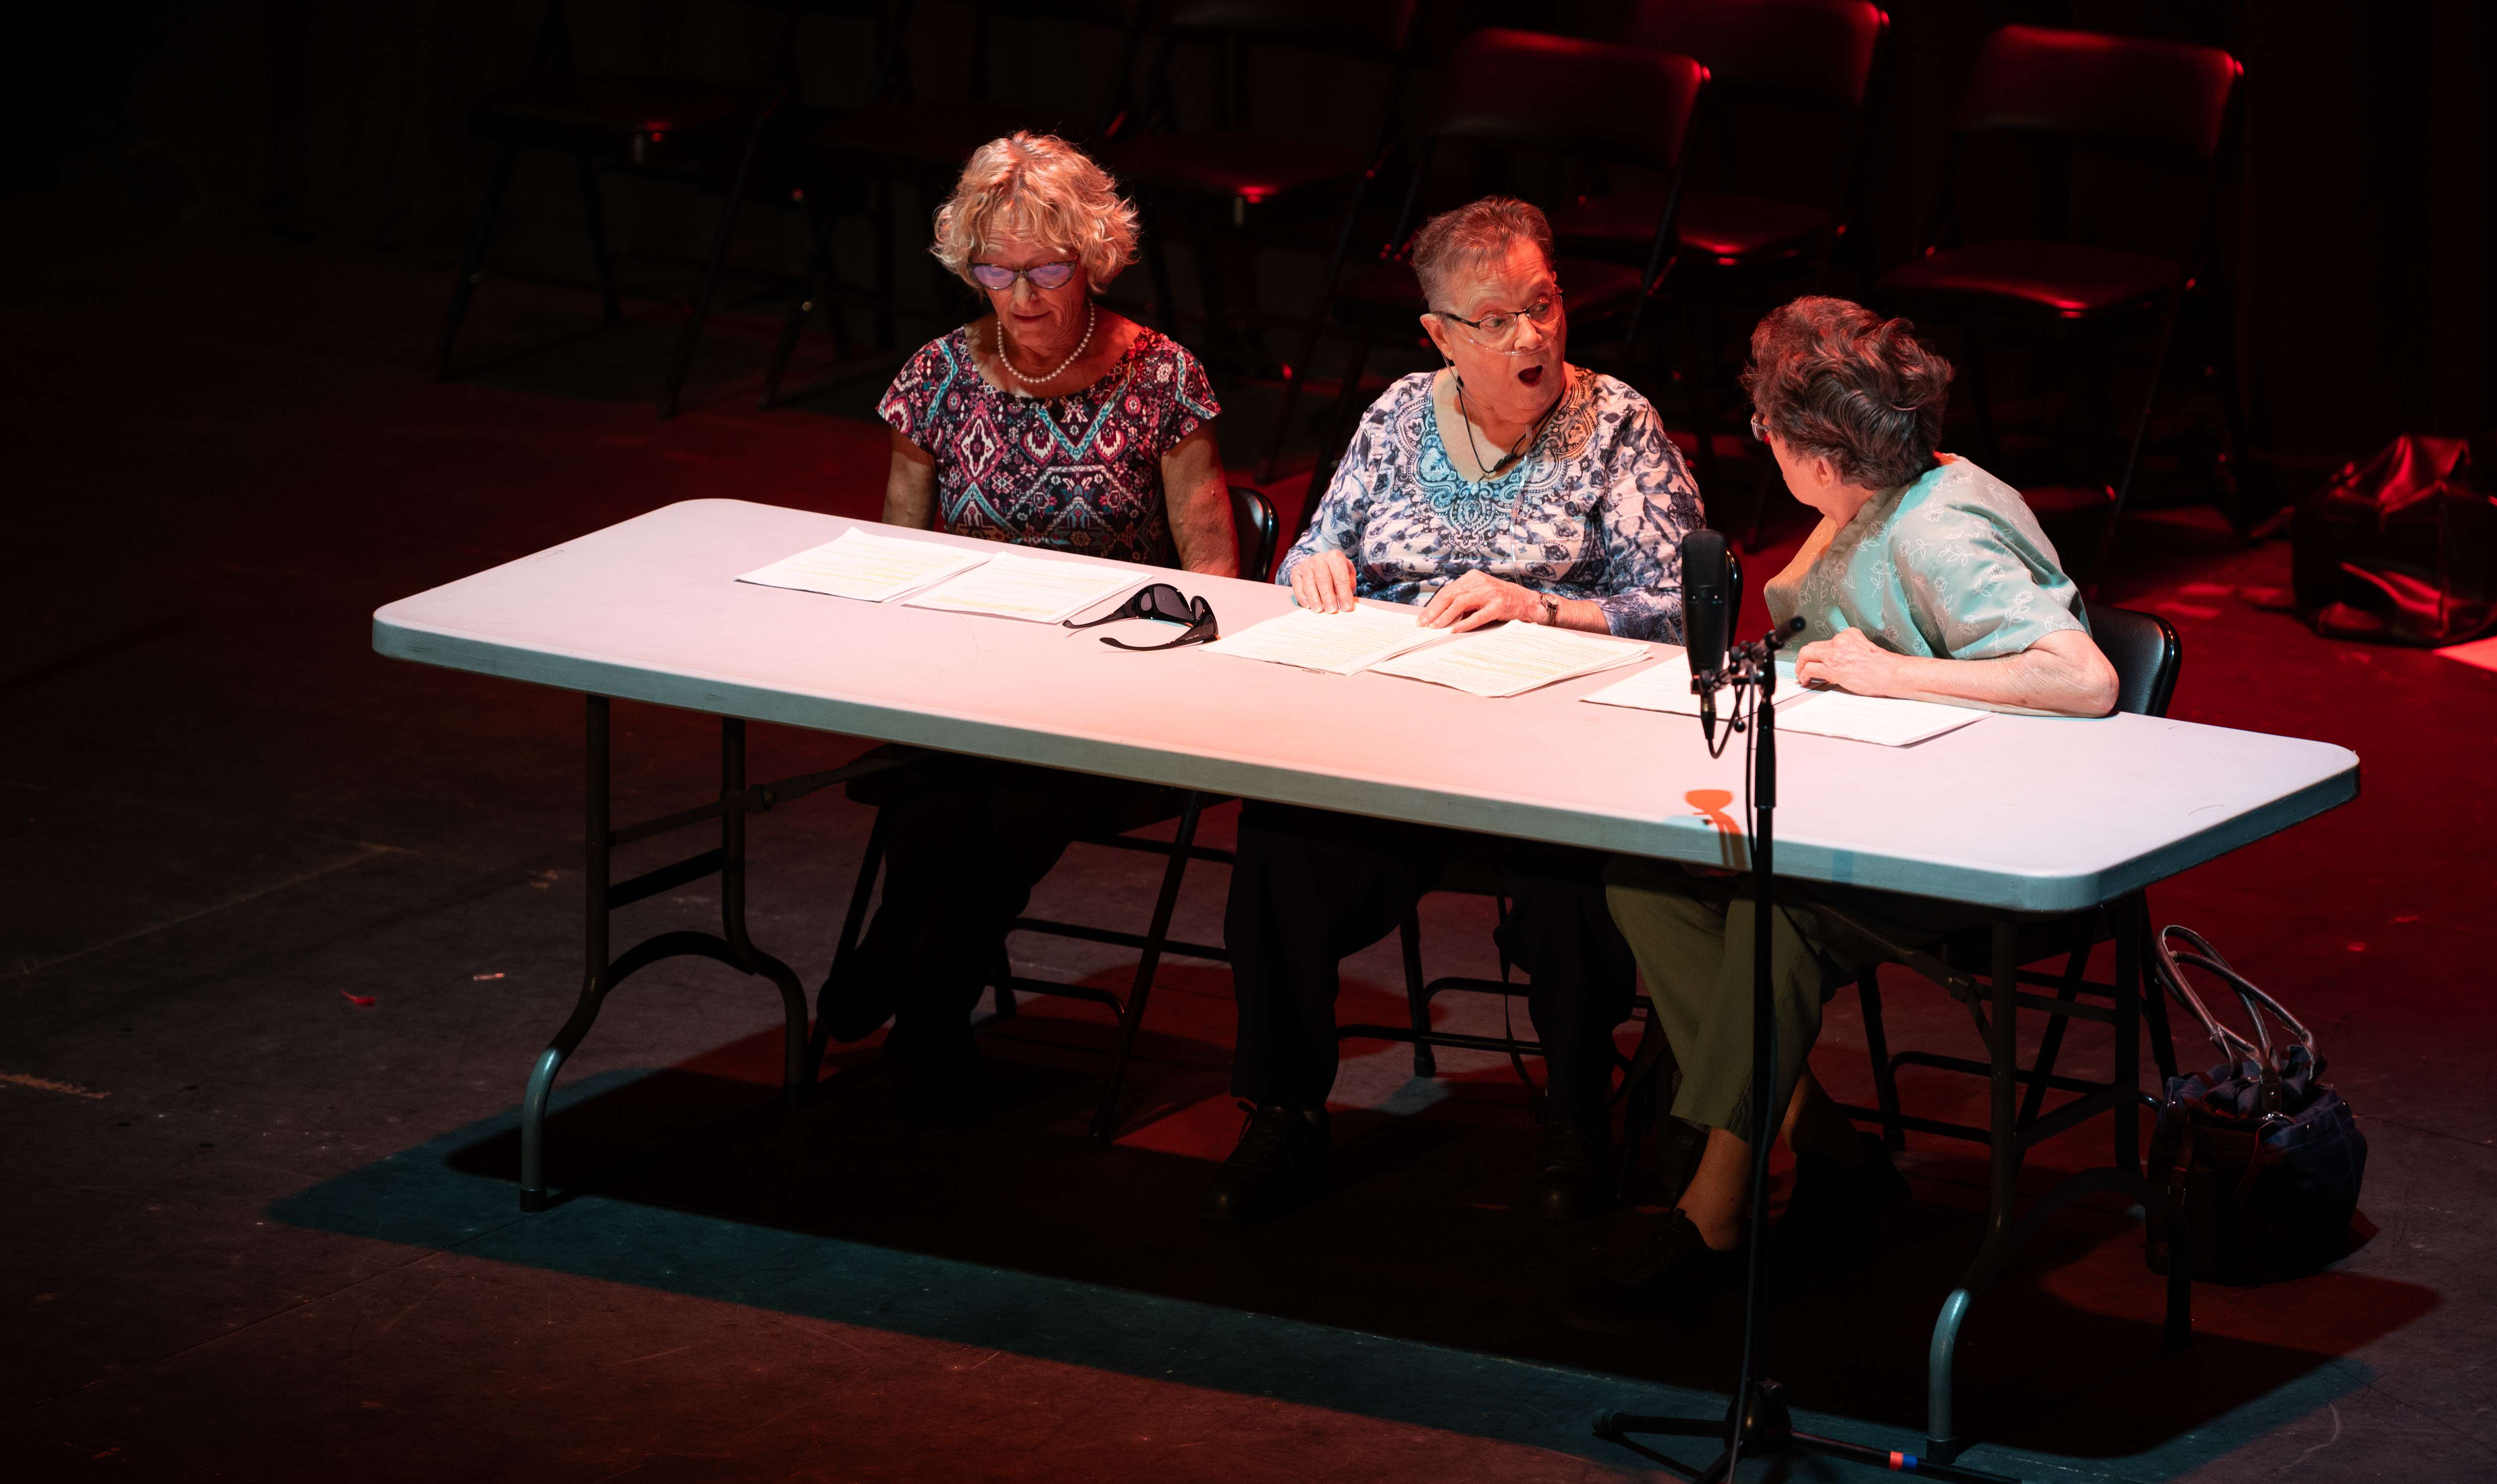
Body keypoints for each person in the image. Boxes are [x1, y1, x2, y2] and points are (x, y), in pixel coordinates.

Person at [1568, 295, 2118, 1334]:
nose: (1760, 443)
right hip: (1881, 814)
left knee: (1776, 915)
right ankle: (1830, 1154)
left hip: (1984, 842)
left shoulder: (1942, 530)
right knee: (1643, 880)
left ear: (1820, 455)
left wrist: (1893, 671)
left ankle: (1716, 1210)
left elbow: (2082, 677)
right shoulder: (1867, 504)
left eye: (1769, 430)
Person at [1204, 195, 1705, 1226]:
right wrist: (1318, 565)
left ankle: (1578, 1114)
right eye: (1498, 318)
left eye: (1544, 303)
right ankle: (1286, 1110)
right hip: (1397, 734)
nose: (1534, 335)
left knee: (1572, 873)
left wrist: (1546, 604)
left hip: (1551, 748)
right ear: (1440, 334)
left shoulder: (1616, 425)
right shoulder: (1395, 414)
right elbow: (1310, 545)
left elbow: (1688, 607)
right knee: (1279, 839)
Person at [817, 132, 1237, 1117]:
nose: (1022, 293)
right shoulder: (937, 375)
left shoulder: (1163, 376)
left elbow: (1214, 561)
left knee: (1013, 802)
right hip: (968, 674)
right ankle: (913, 985)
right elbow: (899, 543)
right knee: (934, 794)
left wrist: (1170, 659)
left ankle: (918, 994)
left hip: (1114, 687)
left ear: (1092, 256)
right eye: (995, 270)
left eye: (1046, 268)